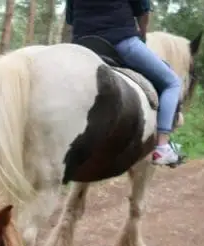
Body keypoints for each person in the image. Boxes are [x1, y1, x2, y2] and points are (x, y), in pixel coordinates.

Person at [65, 0, 183, 166]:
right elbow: (143, 11)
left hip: (83, 45)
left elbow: (70, 20)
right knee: (172, 82)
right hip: (121, 41)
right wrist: (141, 37)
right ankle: (162, 146)